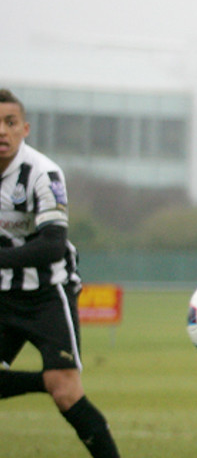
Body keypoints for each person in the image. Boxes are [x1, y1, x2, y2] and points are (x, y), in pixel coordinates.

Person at [0, 88, 121, 457]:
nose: (2, 131)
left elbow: (53, 244)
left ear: (25, 129)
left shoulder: (42, 172)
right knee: (55, 383)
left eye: (10, 122)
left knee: (67, 393)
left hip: (47, 293)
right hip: (2, 293)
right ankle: (45, 381)